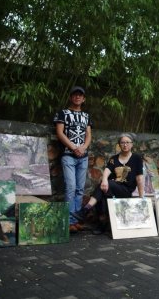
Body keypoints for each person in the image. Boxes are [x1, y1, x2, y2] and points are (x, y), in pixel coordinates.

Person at [72, 133, 144, 235]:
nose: (125, 145)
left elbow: (139, 178)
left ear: (132, 144)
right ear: (119, 144)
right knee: (103, 191)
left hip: (125, 191)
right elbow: (107, 170)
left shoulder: (136, 159)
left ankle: (85, 211)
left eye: (127, 142)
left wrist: (142, 197)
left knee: (105, 186)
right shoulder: (114, 158)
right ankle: (101, 224)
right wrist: (105, 179)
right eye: (122, 142)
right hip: (112, 189)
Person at [53, 86, 92, 233]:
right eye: (75, 95)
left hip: (83, 156)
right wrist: (73, 147)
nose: (77, 97)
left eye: (80, 95)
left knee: (80, 189)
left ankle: (76, 220)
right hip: (68, 155)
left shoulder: (86, 116)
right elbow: (59, 132)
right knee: (70, 187)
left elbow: (88, 134)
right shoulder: (62, 113)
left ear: (83, 99)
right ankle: (68, 221)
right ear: (71, 97)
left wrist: (83, 147)